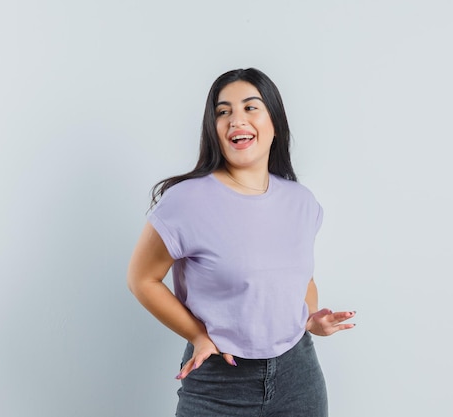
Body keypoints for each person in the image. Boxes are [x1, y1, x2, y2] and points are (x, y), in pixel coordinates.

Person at [127, 68, 355, 417]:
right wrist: (198, 335)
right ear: (213, 128)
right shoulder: (186, 201)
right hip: (219, 379)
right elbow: (142, 279)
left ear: (274, 122)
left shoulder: (301, 201)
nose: (236, 119)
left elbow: (300, 280)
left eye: (251, 107)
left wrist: (310, 319)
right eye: (223, 111)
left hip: (299, 376)